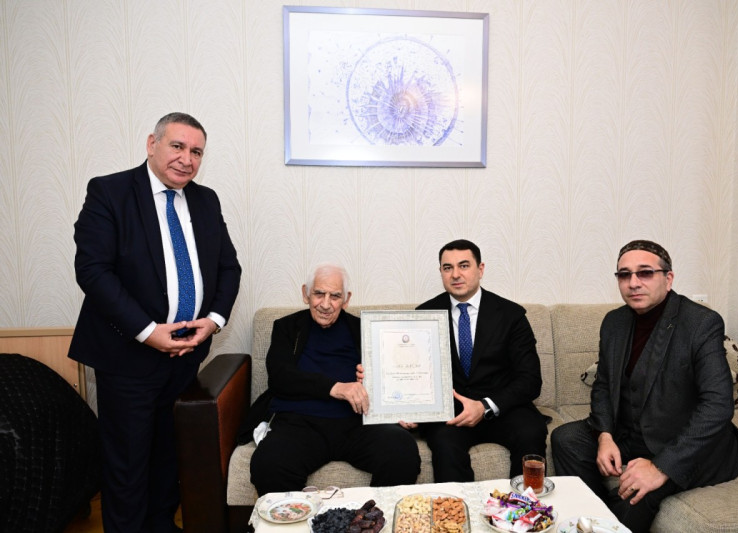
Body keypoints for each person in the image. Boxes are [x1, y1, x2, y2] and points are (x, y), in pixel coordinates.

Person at [69, 112, 242, 533]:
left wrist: (213, 321)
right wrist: (148, 332)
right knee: (128, 463)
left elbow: (229, 268)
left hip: (185, 355)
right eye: (177, 146)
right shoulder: (110, 192)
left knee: (168, 456)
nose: (187, 159)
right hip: (127, 356)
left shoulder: (206, 200)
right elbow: (93, 271)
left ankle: (161, 525)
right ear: (152, 144)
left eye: (196, 152)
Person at [551, 240, 738, 533]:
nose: (633, 283)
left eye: (645, 273)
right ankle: (594, 513)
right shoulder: (614, 322)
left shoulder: (701, 323)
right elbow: (604, 385)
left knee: (635, 495)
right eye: (624, 275)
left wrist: (660, 467)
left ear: (668, 279)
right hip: (630, 433)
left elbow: (717, 406)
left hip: (683, 441)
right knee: (566, 438)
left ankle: (610, 521)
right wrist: (604, 435)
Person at [247, 263, 421, 494]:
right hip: (299, 424)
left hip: (357, 423)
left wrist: (400, 408)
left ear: (346, 299)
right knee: (268, 464)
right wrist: (335, 388)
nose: (326, 304)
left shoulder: (365, 328)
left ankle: (372, 514)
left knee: (402, 450)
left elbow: (390, 377)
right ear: (305, 294)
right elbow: (280, 378)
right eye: (319, 294)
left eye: (335, 296)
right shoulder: (287, 327)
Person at [404, 239, 548, 482]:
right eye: (448, 268)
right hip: (452, 412)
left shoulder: (511, 315)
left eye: (464, 265)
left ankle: (523, 504)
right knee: (443, 443)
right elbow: (413, 372)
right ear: (441, 272)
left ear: (480, 269)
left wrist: (485, 406)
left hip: (503, 408)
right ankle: (457, 506)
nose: (455, 274)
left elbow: (530, 380)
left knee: (531, 432)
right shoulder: (424, 314)